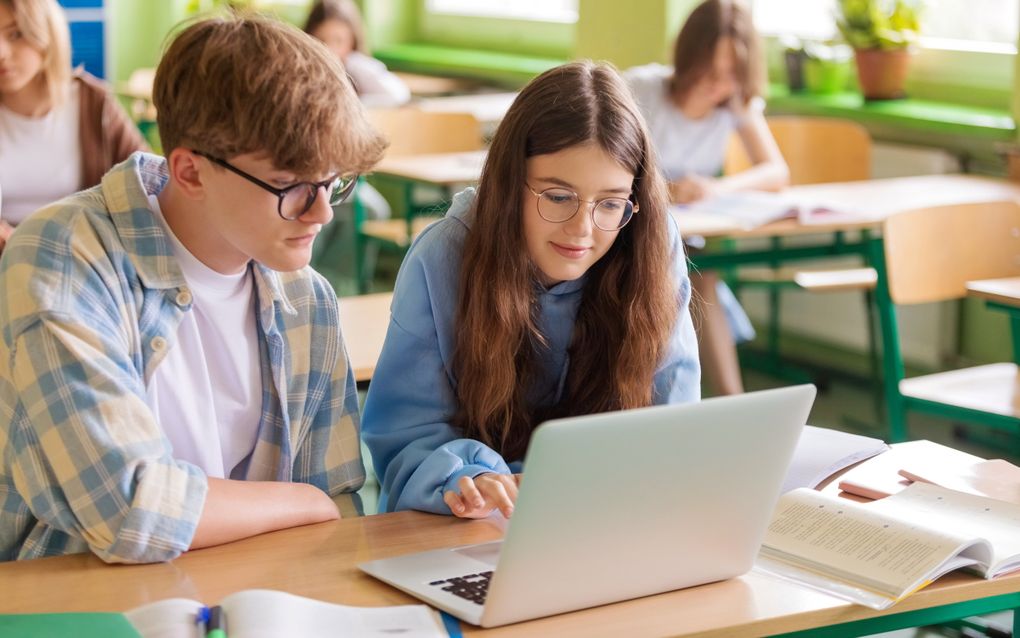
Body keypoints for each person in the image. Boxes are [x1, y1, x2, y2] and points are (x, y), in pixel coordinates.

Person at [0, 14, 387, 562]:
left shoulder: (306, 297)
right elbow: (129, 510)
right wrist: (301, 500)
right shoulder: (62, 257)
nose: (322, 211)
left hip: (248, 594)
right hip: (79, 601)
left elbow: (338, 506)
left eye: (331, 181)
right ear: (190, 173)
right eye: (290, 185)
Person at [362, 61, 700, 519]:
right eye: (557, 196)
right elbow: (406, 435)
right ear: (508, 185)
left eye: (611, 203)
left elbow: (673, 422)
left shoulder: (650, 245)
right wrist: (470, 479)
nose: (582, 229)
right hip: (464, 528)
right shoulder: (442, 257)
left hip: (603, 518)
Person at [625, 0, 789, 396]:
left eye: (732, 74)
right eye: (710, 71)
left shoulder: (735, 105)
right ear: (689, 57)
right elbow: (607, 171)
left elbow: (776, 172)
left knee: (703, 273)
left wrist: (716, 188)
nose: (720, 84)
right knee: (690, 273)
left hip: (682, 236)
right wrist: (663, 190)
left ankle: (731, 402)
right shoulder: (641, 89)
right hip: (628, 228)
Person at [0, 0, 147, 248]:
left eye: (16, 34)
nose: (1, 52)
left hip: (83, 258)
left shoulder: (94, 103)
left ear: (46, 34)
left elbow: (149, 182)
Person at [303, 0, 410, 109]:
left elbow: (398, 95)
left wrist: (354, 103)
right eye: (321, 40)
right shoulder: (304, 72)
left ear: (352, 41)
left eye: (338, 40)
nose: (330, 48)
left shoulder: (357, 66)